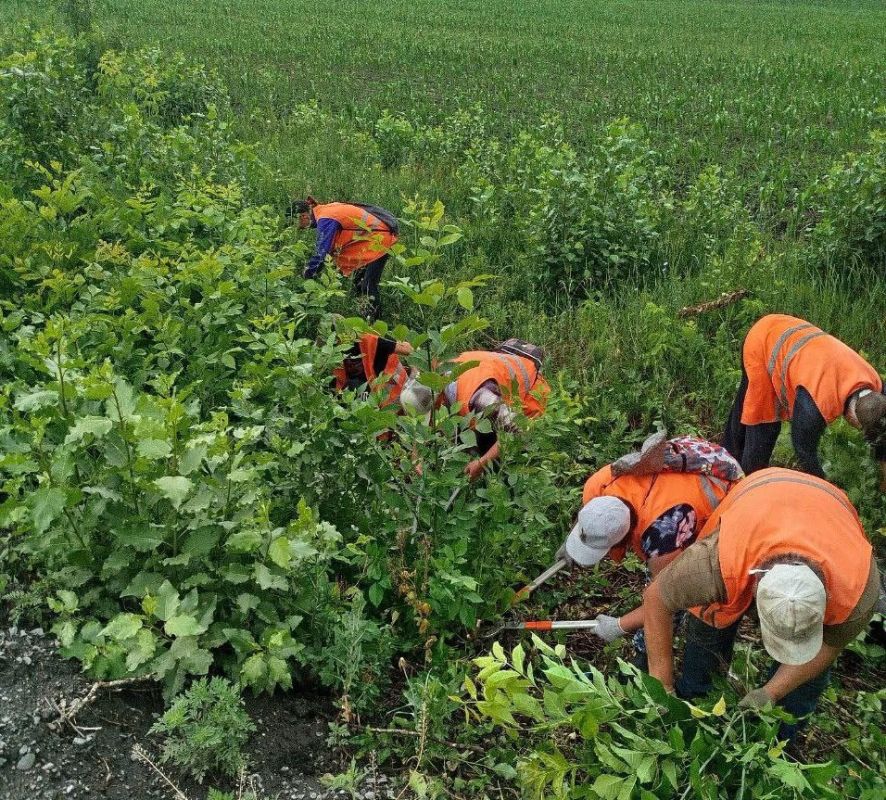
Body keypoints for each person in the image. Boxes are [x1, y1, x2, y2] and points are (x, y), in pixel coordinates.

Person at [641, 467, 879, 739]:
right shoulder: (714, 566)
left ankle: (780, 739)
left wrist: (771, 692)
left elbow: (829, 645)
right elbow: (656, 599)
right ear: (754, 587)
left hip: (826, 504)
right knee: (706, 638)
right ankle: (694, 711)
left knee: (804, 688)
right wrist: (662, 687)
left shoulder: (857, 591)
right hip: (759, 494)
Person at [555, 433, 743, 663]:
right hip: (679, 478)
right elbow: (591, 515)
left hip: (722, 484)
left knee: (697, 594)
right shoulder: (600, 483)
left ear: (623, 538)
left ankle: (649, 657)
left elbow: (666, 597)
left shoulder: (663, 534)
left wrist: (620, 625)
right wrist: (574, 539)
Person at [723, 313, 885, 487]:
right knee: (765, 428)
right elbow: (804, 451)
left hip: (789, 330)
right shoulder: (815, 406)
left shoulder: (876, 384)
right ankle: (746, 483)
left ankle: (726, 457)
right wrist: (825, 488)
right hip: (763, 342)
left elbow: (882, 429)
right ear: (852, 418)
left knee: (744, 403)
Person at [399, 341, 551, 479]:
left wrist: (481, 463)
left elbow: (517, 430)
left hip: (530, 393)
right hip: (498, 375)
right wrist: (416, 455)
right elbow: (426, 421)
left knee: (508, 458)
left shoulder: (481, 399)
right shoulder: (437, 373)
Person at [290, 198, 398, 322]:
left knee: (367, 285)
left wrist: (307, 275)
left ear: (303, 216)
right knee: (359, 282)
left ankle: (374, 324)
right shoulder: (325, 210)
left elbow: (321, 253)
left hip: (379, 240)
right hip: (372, 238)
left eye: (295, 223)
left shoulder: (325, 218)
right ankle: (365, 319)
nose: (297, 227)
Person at [332, 332, 413, 408]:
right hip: (374, 391)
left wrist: (403, 344)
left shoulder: (372, 341)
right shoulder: (335, 354)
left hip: (397, 389)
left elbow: (407, 350)